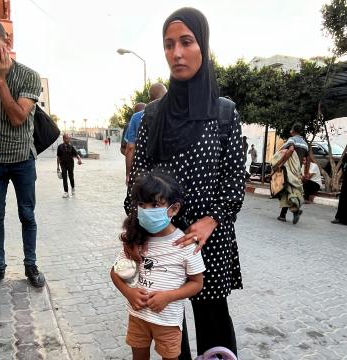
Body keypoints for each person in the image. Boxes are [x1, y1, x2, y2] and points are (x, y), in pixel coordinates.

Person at [125, 8, 244, 357]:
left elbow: (234, 178)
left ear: (202, 46)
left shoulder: (224, 113)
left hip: (208, 238)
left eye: (186, 42)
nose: (177, 53)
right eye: (169, 44)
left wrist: (212, 219)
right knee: (168, 325)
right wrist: (137, 232)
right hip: (162, 240)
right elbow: (138, 181)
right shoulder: (152, 115)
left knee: (213, 321)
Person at [0, 16, 45, 293]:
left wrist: (1, 80)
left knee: (27, 215)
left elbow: (17, 118)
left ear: (7, 42)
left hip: (22, 159)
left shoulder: (28, 76)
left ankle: (30, 265)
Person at [112, 170, 205, 360]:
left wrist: (168, 296)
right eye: (141, 204)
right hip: (138, 317)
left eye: (155, 204)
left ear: (173, 209)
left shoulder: (185, 244)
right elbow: (115, 273)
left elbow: (197, 283)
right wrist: (128, 293)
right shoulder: (136, 240)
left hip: (168, 322)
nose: (146, 210)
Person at [125, 84, 168, 184]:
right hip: (168, 174)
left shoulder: (137, 117)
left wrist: (128, 174)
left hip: (144, 172)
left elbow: (130, 148)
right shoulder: (175, 114)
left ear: (150, 98)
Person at [270, 123, 308, 224]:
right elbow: (307, 159)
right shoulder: (305, 144)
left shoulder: (292, 140)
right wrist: (306, 173)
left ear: (293, 130)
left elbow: (290, 150)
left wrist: (280, 163)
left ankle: (290, 213)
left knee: (286, 190)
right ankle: (286, 214)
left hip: (288, 169)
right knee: (291, 191)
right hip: (297, 170)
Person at [124, 102, 147, 183]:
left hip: (139, 167)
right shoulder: (168, 115)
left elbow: (129, 148)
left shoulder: (135, 118)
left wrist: (128, 174)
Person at [57, 133, 82, 197]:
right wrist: (57, 167)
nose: (69, 139)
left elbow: (76, 154)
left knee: (71, 177)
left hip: (70, 164)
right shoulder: (59, 147)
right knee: (64, 178)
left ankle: (73, 189)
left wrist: (79, 159)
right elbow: (58, 157)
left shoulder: (71, 147)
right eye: (67, 138)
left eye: (69, 138)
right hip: (63, 165)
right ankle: (66, 192)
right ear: (64, 139)